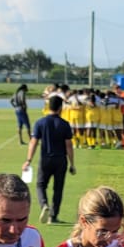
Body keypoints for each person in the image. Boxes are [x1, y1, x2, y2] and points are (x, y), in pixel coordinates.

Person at [23, 95, 77, 224]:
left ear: (49, 107)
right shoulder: (64, 124)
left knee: (41, 185)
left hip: (46, 159)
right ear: (60, 108)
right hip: (60, 160)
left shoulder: (40, 123)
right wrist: (72, 163)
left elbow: (33, 142)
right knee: (58, 188)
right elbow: (68, 145)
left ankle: (44, 205)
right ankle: (53, 216)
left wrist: (28, 160)